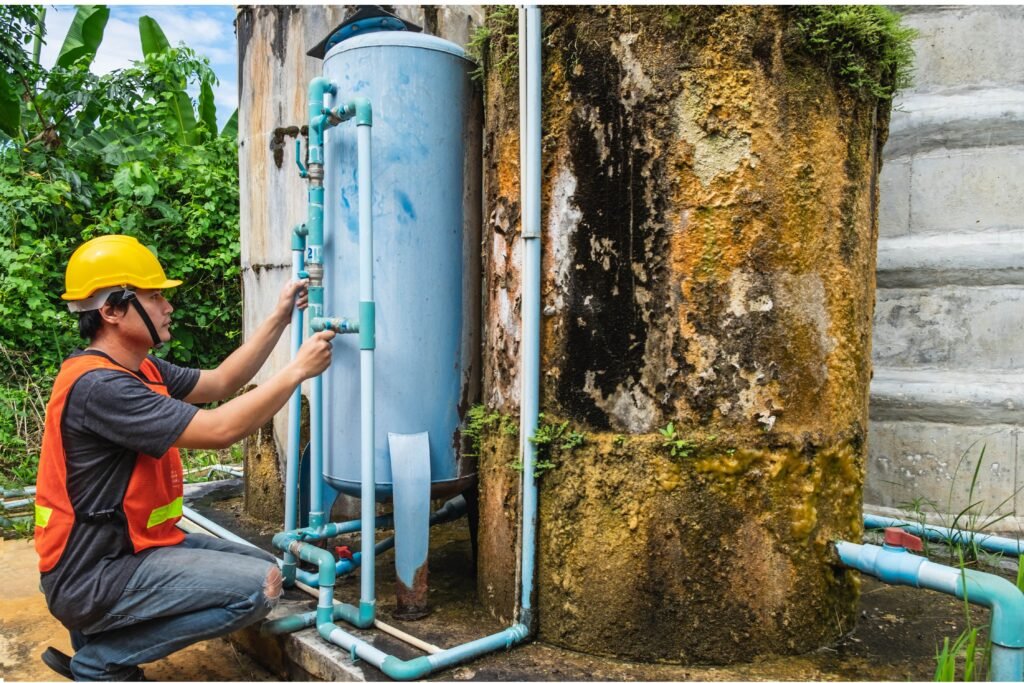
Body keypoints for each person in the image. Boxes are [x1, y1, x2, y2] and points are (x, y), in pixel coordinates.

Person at [33, 234, 335, 681]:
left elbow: (219, 384)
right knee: (258, 588)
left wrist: (279, 318)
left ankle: (97, 640)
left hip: (127, 551)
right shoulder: (103, 388)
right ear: (112, 311)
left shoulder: (141, 368)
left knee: (267, 568)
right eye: (154, 296)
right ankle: (101, 660)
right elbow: (220, 430)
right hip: (93, 575)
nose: (167, 306)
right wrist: (297, 371)